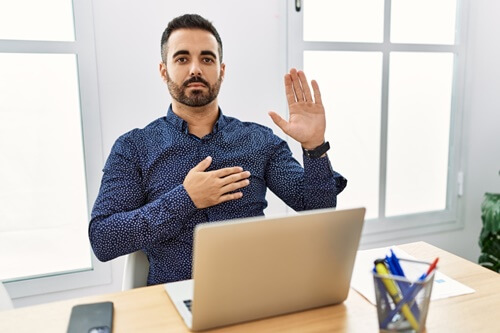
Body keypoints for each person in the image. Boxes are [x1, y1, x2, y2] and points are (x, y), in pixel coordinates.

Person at [89, 14, 347, 285]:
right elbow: (104, 239)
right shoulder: (133, 148)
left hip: (253, 293)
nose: (195, 69)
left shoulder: (259, 141)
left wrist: (314, 146)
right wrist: (186, 198)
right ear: (164, 70)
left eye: (207, 59)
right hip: (174, 299)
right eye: (182, 58)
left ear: (222, 71)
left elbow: (317, 209)